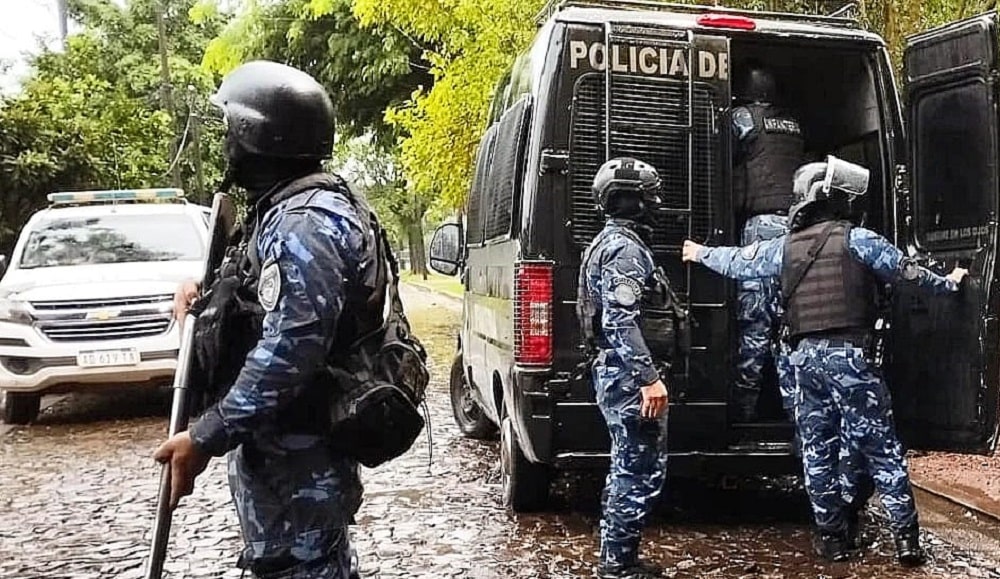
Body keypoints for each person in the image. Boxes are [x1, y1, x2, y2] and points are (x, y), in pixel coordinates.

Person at [153, 60, 383, 579]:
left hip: (300, 458)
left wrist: (206, 436)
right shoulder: (279, 211)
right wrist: (206, 298)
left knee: (300, 567)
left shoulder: (305, 222)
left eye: (231, 130)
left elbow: (292, 347)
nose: (226, 144)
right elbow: (261, 303)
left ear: (259, 135)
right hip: (281, 453)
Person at [682, 156, 968, 566]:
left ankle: (832, 540)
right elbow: (909, 275)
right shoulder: (859, 240)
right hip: (850, 357)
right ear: (834, 199)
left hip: (803, 361)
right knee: (881, 448)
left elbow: (738, 262)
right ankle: (907, 542)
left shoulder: (783, 248)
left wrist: (699, 252)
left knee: (816, 451)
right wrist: (950, 282)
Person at [577, 158, 673, 579]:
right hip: (628, 377)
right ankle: (617, 565)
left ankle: (620, 558)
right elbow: (619, 320)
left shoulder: (609, 243)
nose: (657, 204)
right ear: (634, 201)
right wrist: (649, 379)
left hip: (619, 373)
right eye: (651, 197)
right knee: (636, 470)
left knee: (630, 466)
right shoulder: (625, 250)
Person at [730, 60, 807, 421]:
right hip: (795, 230)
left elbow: (715, 151)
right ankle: (796, 418)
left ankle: (743, 414)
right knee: (788, 325)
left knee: (754, 323)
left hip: (760, 231)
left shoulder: (743, 118)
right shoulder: (792, 124)